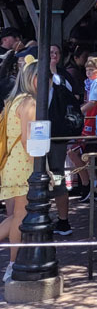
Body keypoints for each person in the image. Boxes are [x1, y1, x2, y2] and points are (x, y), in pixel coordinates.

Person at [0, 62, 38, 282]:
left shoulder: (12, 101)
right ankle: (13, 265)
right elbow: (28, 140)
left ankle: (13, 263)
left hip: (10, 164)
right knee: (20, 216)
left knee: (15, 215)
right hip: (23, 164)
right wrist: (42, 170)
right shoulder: (29, 103)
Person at [68, 56, 97, 199]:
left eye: (91, 69)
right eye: (87, 69)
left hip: (93, 122)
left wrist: (77, 112)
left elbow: (93, 102)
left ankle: (88, 184)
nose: (88, 72)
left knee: (74, 151)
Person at [47, 44, 81, 236]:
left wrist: (53, 72)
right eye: (49, 52)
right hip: (36, 134)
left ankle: (63, 221)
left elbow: (69, 94)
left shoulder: (63, 75)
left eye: (56, 53)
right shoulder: (31, 73)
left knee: (57, 174)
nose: (52, 55)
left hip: (57, 134)